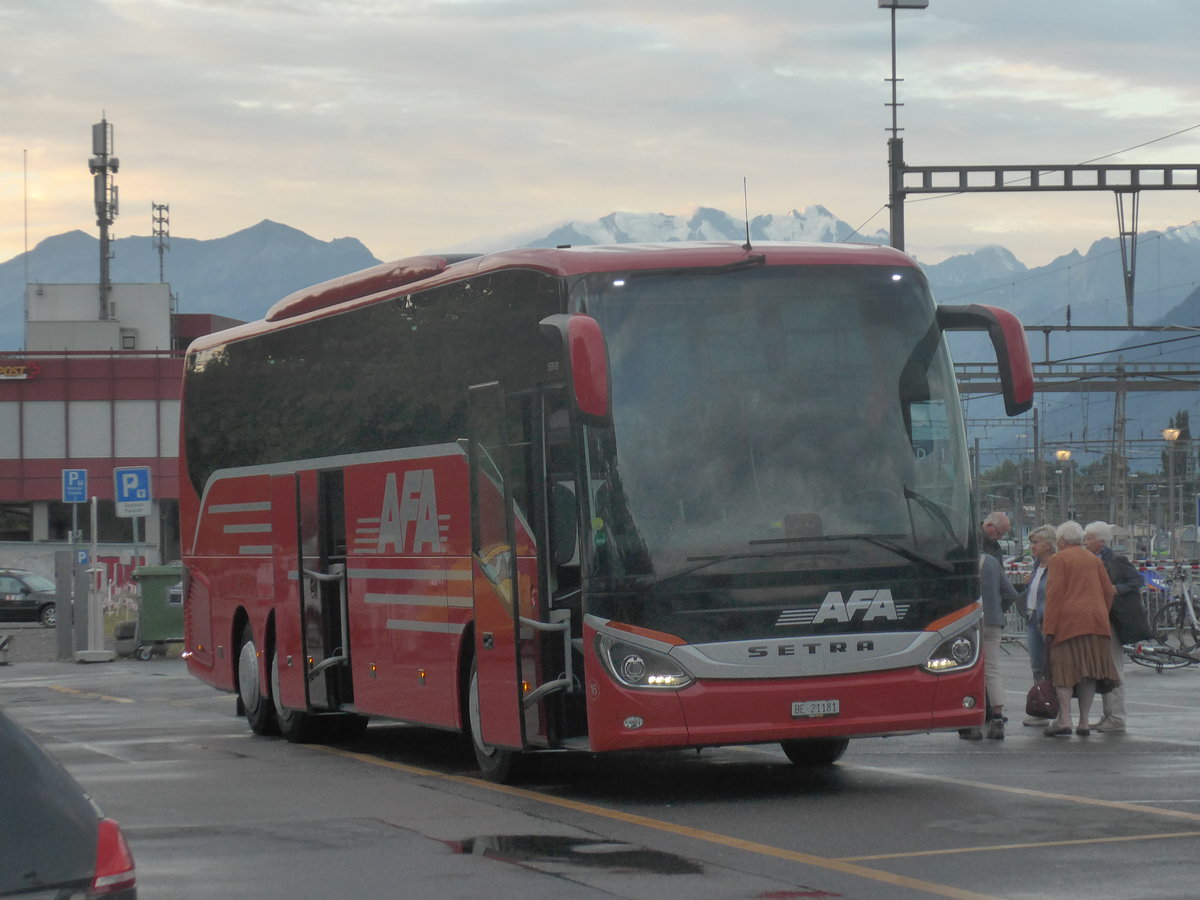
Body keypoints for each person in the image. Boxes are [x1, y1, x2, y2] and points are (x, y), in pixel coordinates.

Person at [1042, 521, 1121, 737]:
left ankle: (1065, 720)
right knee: (1089, 673)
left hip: (1068, 624)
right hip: (1096, 623)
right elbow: (1108, 591)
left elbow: (1054, 595)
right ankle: (1084, 722)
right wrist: (1100, 613)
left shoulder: (1059, 559)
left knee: (1065, 673)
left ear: (1063, 541)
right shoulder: (1094, 560)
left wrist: (1049, 628)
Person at [1084, 521, 1153, 734]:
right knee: (1105, 668)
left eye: (1089, 538)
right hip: (1100, 618)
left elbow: (1137, 581)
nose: (1085, 542)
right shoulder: (1093, 560)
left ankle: (1116, 716)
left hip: (1113, 619)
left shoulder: (1116, 560)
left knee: (1113, 667)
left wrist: (1116, 589)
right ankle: (1108, 714)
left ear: (1100, 541)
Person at [1020, 525, 1057, 726]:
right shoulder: (1037, 566)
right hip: (1033, 619)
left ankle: (1054, 706)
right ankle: (1040, 707)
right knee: (1036, 665)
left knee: (1051, 666)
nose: (1031, 546)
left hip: (1048, 621)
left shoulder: (1057, 565)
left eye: (1035, 543)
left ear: (1048, 545)